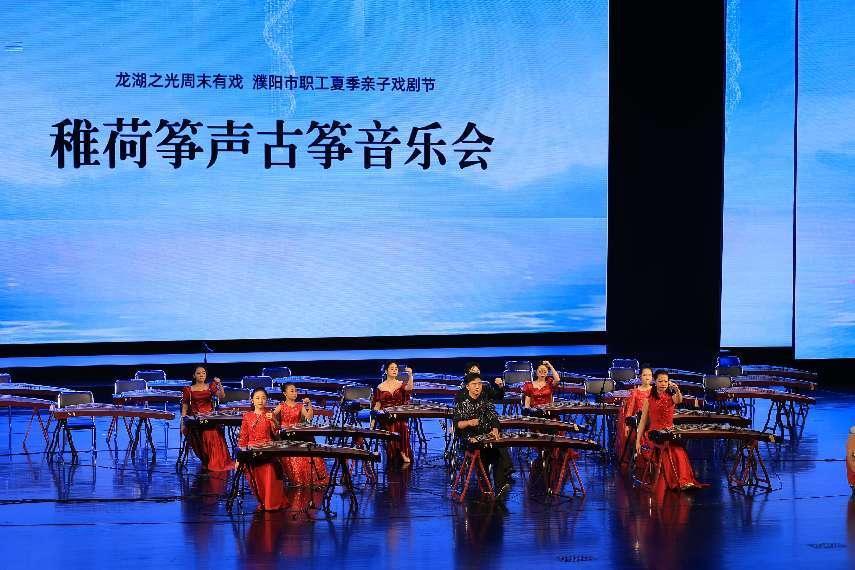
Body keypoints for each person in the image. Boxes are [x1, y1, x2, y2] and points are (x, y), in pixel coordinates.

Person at [635, 370, 706, 491]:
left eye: (665, 381)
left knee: (679, 450)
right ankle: (677, 481)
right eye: (660, 381)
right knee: (669, 450)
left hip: (669, 432)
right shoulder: (649, 400)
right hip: (654, 433)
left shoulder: (671, 397)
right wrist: (637, 440)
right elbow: (642, 422)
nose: (663, 384)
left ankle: (684, 481)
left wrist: (677, 389)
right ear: (655, 382)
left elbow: (679, 400)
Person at [454, 372, 514, 498]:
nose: (477, 387)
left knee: (497, 449)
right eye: (474, 384)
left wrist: (495, 429)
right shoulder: (462, 403)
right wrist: (469, 422)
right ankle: (504, 473)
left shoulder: (485, 401)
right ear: (467, 386)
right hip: (469, 438)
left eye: (479, 384)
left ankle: (500, 487)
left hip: (485, 437)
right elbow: (457, 424)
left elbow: (494, 417)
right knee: (493, 450)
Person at [237, 388, 286, 511]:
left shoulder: (269, 414)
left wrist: (274, 420)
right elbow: (243, 437)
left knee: (269, 470)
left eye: (263, 398)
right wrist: (239, 458)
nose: (260, 400)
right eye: (257, 398)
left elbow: (277, 433)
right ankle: (263, 501)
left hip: (267, 449)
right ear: (252, 400)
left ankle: (271, 503)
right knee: (254, 477)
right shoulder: (247, 416)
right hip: (251, 450)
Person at [180, 365, 234, 472]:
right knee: (202, 433)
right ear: (194, 375)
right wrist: (182, 422)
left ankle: (214, 461)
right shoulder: (188, 390)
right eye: (199, 373)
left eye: (203, 373)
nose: (201, 375)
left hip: (210, 418)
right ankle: (207, 459)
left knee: (211, 433)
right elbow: (185, 407)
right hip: (195, 419)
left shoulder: (210, 387)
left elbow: (222, 396)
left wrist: (219, 384)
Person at [275, 383, 329, 486]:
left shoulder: (300, 406)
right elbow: (272, 416)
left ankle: (309, 478)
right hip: (285, 435)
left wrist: (309, 405)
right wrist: (277, 424)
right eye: (292, 391)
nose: (295, 393)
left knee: (310, 446)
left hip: (297, 433)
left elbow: (309, 417)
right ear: (285, 393)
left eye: (296, 391)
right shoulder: (281, 406)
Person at [372, 361, 415, 464]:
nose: (394, 370)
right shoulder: (380, 387)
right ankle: (396, 452)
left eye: (396, 369)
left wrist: (410, 375)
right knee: (393, 424)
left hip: (399, 414)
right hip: (385, 415)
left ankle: (403, 452)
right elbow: (377, 405)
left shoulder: (400, 384)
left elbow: (409, 388)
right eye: (392, 369)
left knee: (403, 425)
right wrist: (373, 421)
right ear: (386, 371)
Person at [616, 366, 654, 466]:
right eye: (644, 375)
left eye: (649, 375)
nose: (647, 377)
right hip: (640, 423)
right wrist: (627, 425)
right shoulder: (635, 392)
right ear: (640, 377)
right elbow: (630, 409)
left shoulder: (655, 391)